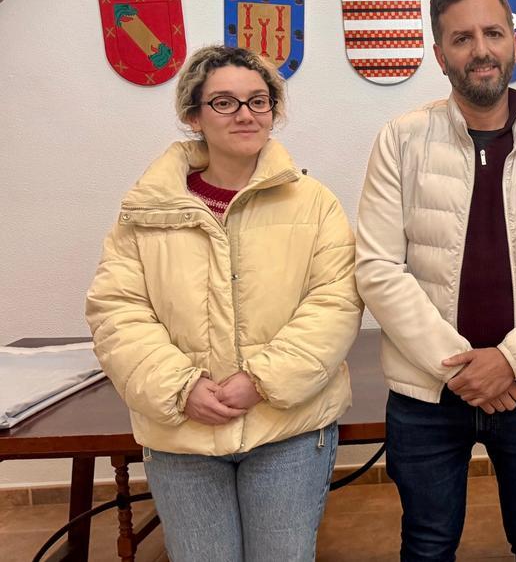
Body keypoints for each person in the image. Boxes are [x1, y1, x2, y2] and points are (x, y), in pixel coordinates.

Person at [355, 0, 516, 562]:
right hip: (428, 390)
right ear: (440, 56)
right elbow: (378, 267)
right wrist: (462, 370)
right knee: (428, 542)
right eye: (462, 38)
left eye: (493, 32)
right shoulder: (401, 140)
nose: (481, 49)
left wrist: (509, 361)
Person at [85, 45, 362, 561]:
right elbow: (117, 309)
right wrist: (181, 387)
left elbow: (336, 301)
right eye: (224, 103)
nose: (245, 115)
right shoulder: (147, 207)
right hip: (182, 432)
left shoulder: (315, 202)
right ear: (193, 115)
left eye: (259, 101)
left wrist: (260, 380)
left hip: (288, 426)